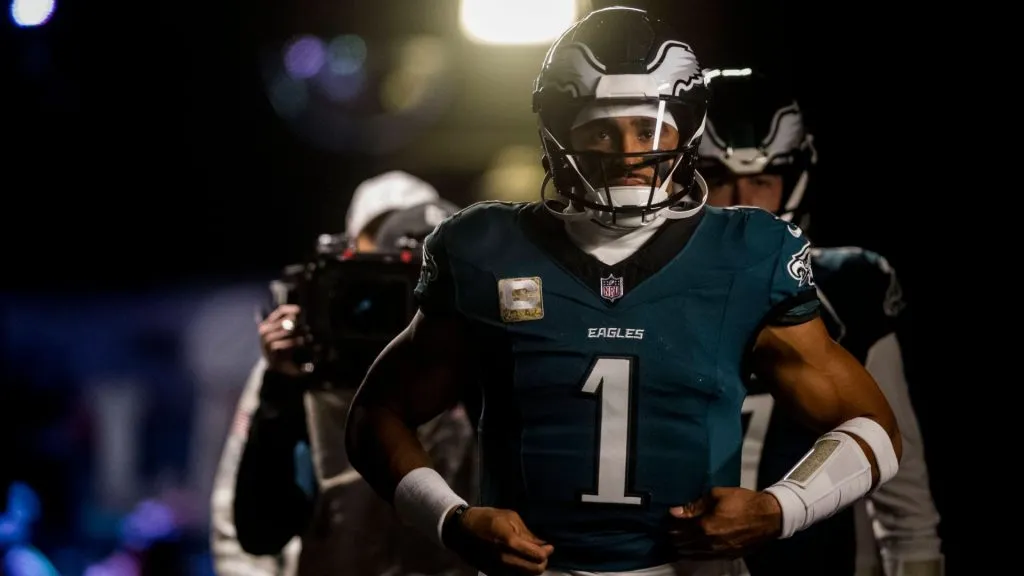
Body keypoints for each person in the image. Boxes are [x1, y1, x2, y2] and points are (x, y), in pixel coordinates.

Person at [344, 7, 903, 576]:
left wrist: (782, 507)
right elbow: (376, 415)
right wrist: (451, 520)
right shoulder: (484, 247)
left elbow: (872, 426)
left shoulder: (749, 252)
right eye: (602, 129)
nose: (629, 153)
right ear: (561, 135)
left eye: (647, 128)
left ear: (685, 131)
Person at [697, 68, 943, 576]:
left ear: (796, 178)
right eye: (718, 178)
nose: (741, 202)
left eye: (762, 179)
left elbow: (901, 488)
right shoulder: (636, 287)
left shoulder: (848, 289)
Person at [209, 171, 476, 576]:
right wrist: (279, 386)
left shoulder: (463, 352)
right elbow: (251, 530)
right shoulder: (308, 361)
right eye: (382, 236)